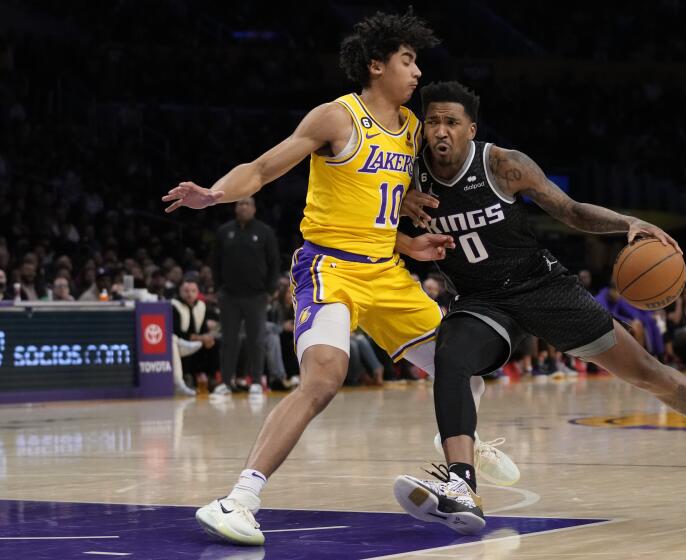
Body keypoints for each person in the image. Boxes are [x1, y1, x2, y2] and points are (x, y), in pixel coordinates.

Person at [162, 11, 516, 546]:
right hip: (328, 269)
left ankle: (456, 466)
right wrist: (214, 193)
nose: (417, 72)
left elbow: (378, 204)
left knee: (463, 367)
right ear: (377, 65)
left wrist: (407, 237)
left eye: (416, 60)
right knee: (324, 379)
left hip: (387, 273)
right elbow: (261, 169)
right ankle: (238, 499)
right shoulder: (337, 118)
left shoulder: (416, 131)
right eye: (407, 60)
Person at [394, 81, 686, 535]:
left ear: (471, 128)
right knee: (451, 355)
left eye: (452, 122)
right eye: (434, 121)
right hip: (482, 301)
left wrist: (628, 224)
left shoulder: (503, 164)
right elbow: (365, 218)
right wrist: (402, 225)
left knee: (650, 375)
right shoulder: (406, 174)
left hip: (540, 286)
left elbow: (572, 211)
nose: (441, 130)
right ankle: (462, 487)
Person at [213, 197, 279, 394]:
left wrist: (269, 290)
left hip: (256, 296)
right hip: (229, 296)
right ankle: (226, 382)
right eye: (239, 204)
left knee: (256, 340)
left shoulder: (264, 232)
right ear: (235, 208)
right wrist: (218, 288)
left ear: (254, 208)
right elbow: (215, 261)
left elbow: (274, 262)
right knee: (229, 340)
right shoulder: (224, 232)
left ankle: (256, 381)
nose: (243, 207)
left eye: (247, 204)